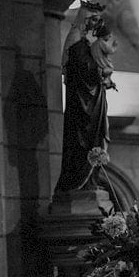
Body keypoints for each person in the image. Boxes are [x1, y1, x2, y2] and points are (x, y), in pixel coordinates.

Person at [55, 14, 112, 193]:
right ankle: (76, 184)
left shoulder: (87, 45)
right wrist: (101, 72)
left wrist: (103, 76)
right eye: (92, 19)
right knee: (81, 144)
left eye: (97, 20)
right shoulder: (76, 44)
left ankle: (90, 182)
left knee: (97, 140)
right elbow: (82, 69)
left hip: (94, 102)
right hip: (82, 106)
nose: (96, 24)